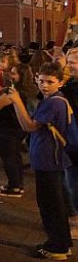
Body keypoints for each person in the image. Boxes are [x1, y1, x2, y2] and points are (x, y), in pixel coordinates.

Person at [8, 61, 73, 260]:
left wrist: (16, 101)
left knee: (50, 203)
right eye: (42, 81)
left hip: (49, 159)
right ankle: (62, 242)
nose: (45, 85)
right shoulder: (56, 100)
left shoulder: (54, 102)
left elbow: (29, 125)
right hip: (52, 159)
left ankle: (57, 246)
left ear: (60, 82)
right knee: (56, 202)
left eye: (50, 82)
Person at [0, 63, 37, 198]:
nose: (11, 75)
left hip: (6, 129)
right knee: (15, 157)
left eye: (14, 73)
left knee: (9, 158)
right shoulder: (30, 90)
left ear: (22, 76)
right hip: (17, 128)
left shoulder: (13, 93)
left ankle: (14, 187)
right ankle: (18, 184)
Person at [59, 48, 78, 239]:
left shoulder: (72, 88)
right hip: (72, 141)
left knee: (74, 184)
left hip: (75, 142)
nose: (68, 66)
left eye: (72, 62)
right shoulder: (72, 84)